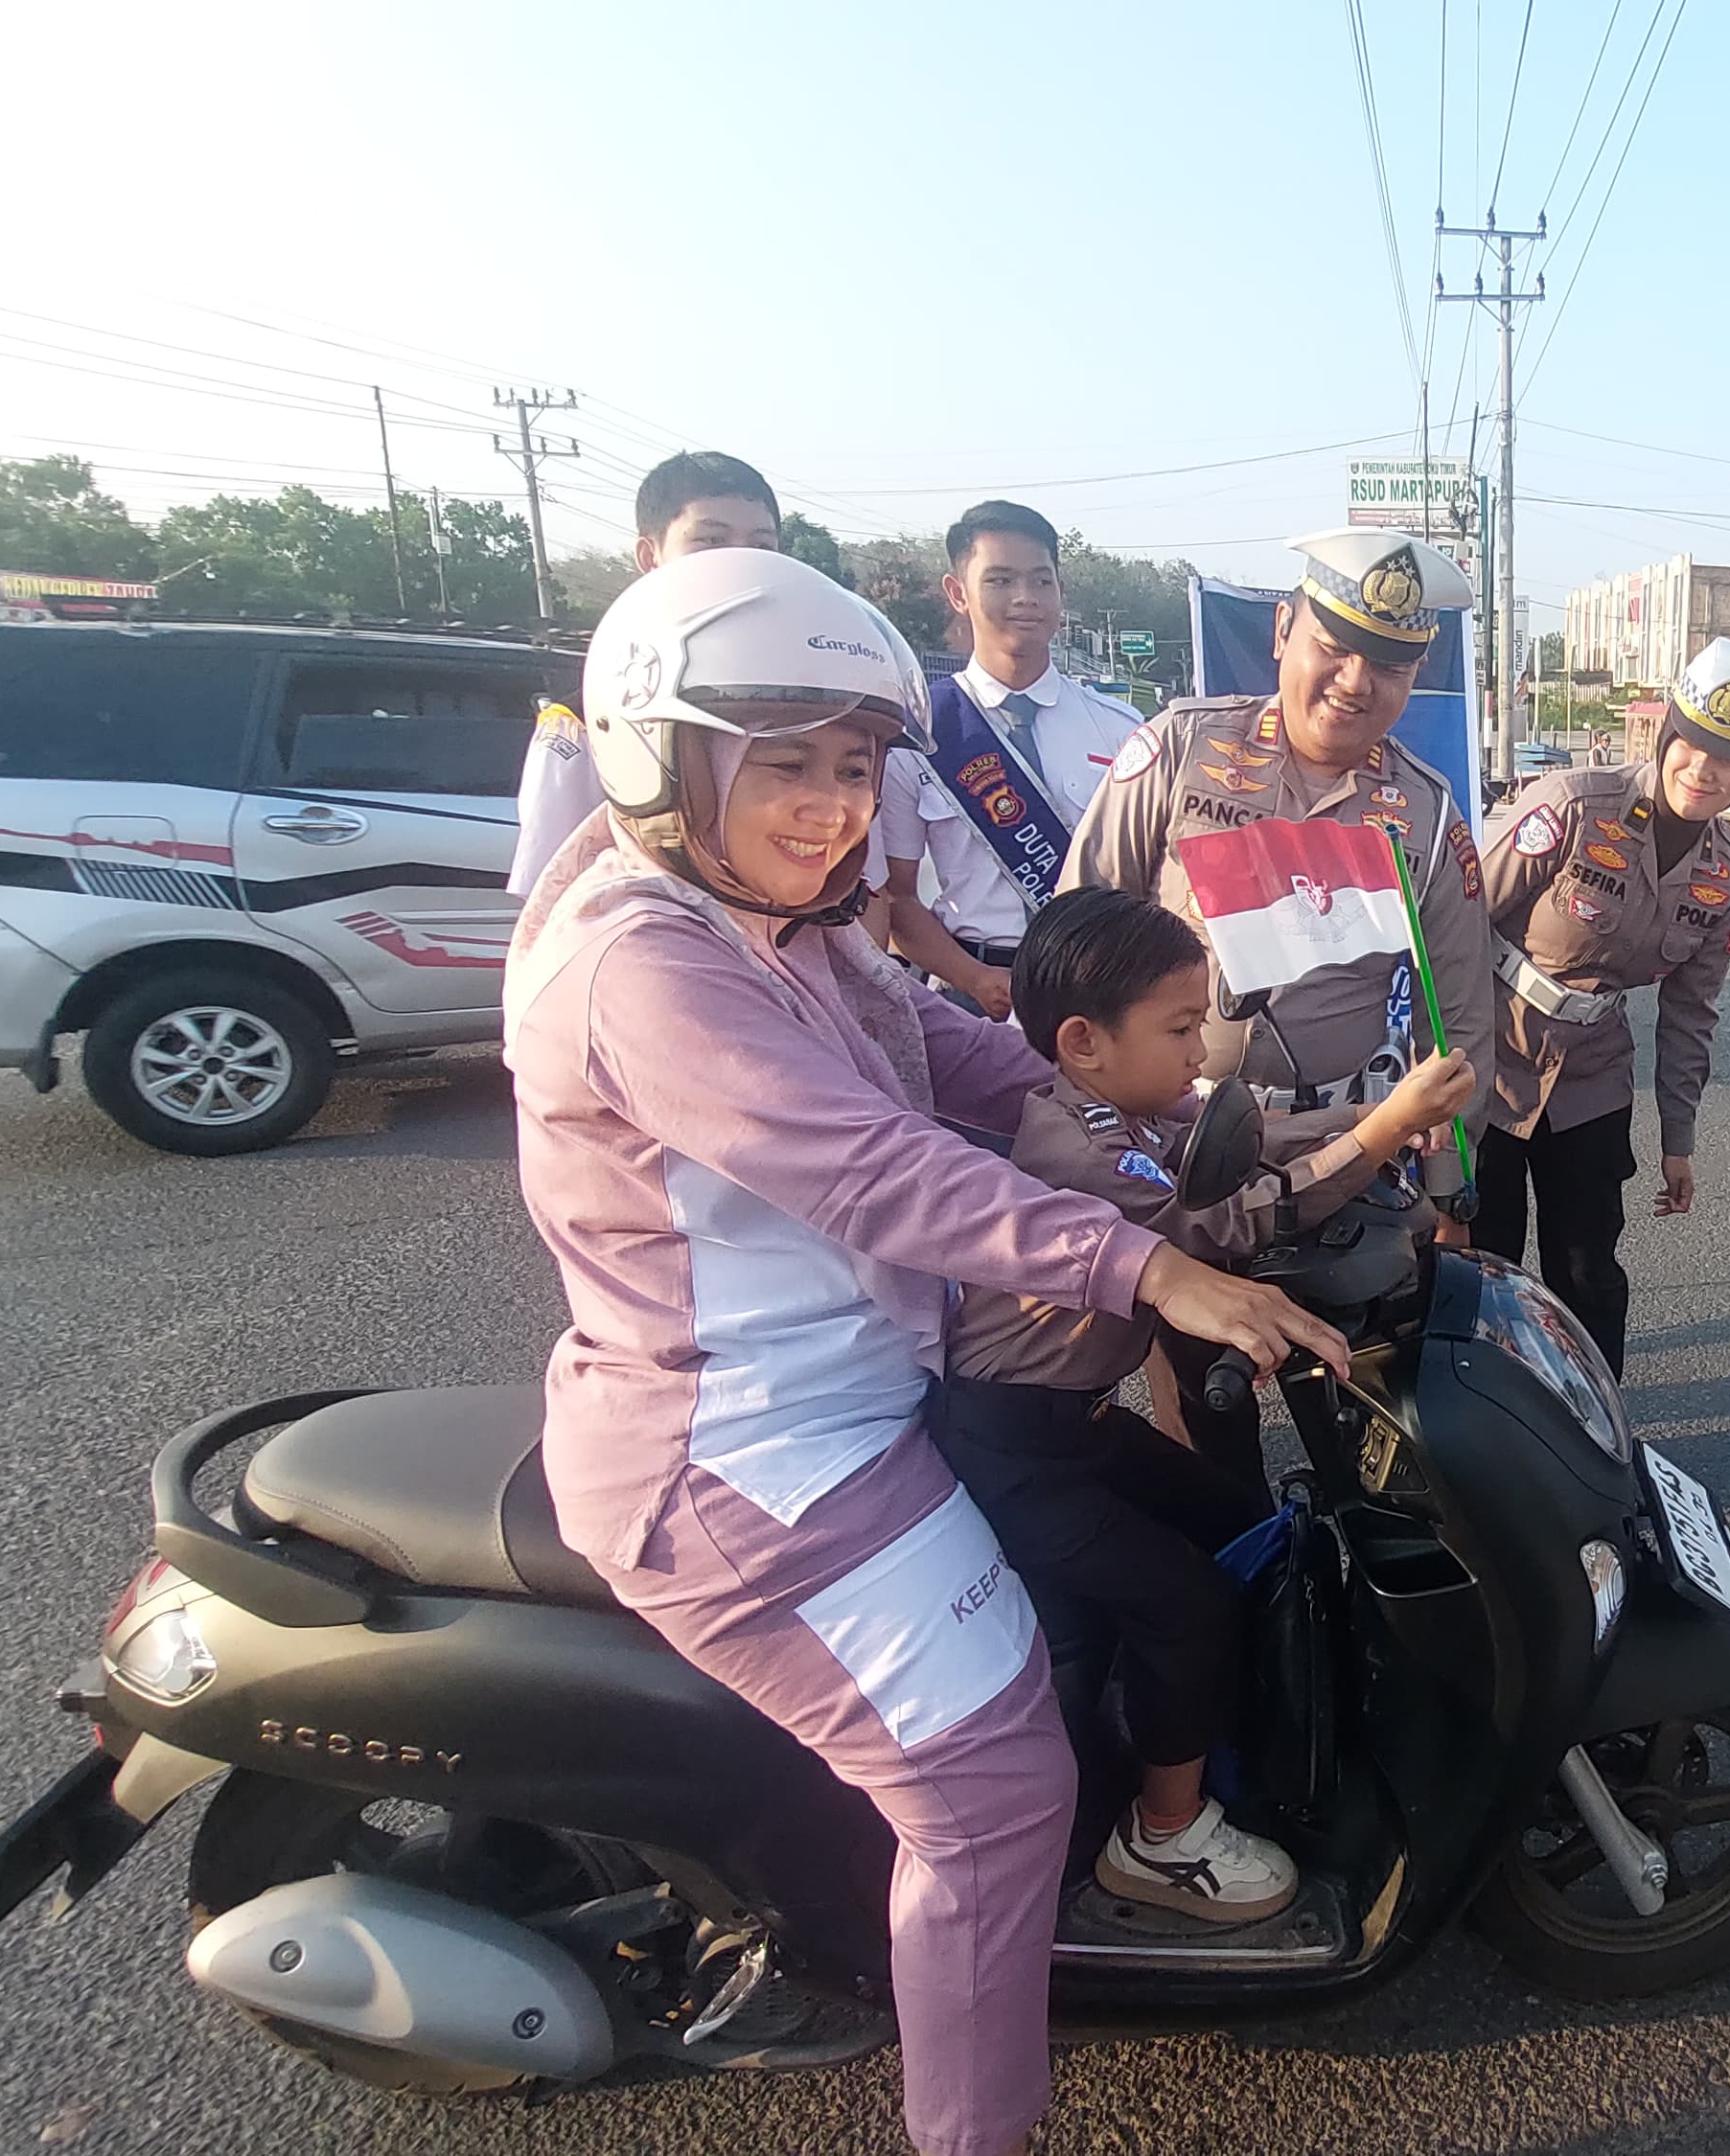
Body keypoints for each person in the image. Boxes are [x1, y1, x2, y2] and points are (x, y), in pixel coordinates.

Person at [502, 550, 1345, 2156]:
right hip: (747, 1461)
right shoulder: (646, 961)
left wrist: (1150, 1112)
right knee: (994, 1792)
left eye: (850, 765)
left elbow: (950, 1050)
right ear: (655, 756)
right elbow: (876, 1167)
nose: (827, 807)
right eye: (780, 764)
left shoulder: (785, 925)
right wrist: (1144, 1263)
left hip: (865, 1404)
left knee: (1177, 1532)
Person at [941, 887, 1471, 1922]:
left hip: (1077, 1425)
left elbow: (1252, 1128)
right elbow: (1225, 1222)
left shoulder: (1128, 1108)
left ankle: (1214, 1730)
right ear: (1085, 1042)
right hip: (1014, 1448)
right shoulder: (1085, 1153)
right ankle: (1162, 1836)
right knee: (1184, 1599)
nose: (1201, 1049)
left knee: (1251, 1530)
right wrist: (1377, 1135)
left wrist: (1376, 1116)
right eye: (1182, 1029)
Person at [1065, 529, 1498, 1195]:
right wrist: (1073, 1127)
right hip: (1169, 1129)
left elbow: (1461, 1017)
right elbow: (1075, 944)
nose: (1355, 684)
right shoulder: (1179, 752)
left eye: (1388, 667)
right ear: (1281, 632)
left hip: (1348, 1139)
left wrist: (1447, 1186)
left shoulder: (1428, 813)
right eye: (1333, 648)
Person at [1470, 638, 1730, 1372]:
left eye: (1728, 759)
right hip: (1485, 1057)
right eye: (1692, 746)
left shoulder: (1726, 872)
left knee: (1588, 1273)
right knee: (1480, 1263)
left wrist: (1680, 1139)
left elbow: (1691, 1012)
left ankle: (1591, 1428)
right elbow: (1455, 916)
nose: (1702, 770)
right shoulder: (1573, 806)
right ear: (1667, 736)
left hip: (1592, 1073)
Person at [876, 500, 1152, 1016]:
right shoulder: (918, 733)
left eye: (1041, 581)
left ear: (1060, 592)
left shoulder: (1119, 728)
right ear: (958, 592)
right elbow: (898, 900)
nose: (1025, 598)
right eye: (1000, 581)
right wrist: (977, 979)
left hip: (1097, 992)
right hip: (972, 996)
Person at [506, 451, 786, 895]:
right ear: (649, 555)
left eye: (762, 546)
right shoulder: (588, 718)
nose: (739, 562)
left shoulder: (805, 697)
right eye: (711, 541)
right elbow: (549, 892)